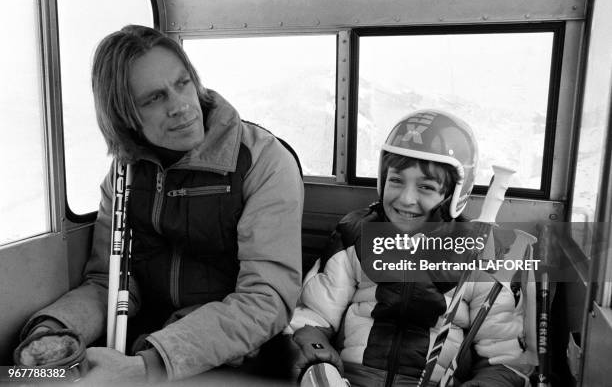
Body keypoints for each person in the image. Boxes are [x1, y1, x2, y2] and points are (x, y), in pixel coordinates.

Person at [17, 25, 304, 382]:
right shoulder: (123, 174)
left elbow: (266, 300)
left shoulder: (262, 161)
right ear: (125, 116)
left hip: (233, 358)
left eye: (182, 83)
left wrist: (149, 365)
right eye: (154, 99)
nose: (182, 107)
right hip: (141, 348)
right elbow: (109, 282)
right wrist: (56, 330)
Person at [286, 110, 532, 387]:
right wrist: (317, 357)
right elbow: (312, 319)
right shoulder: (356, 235)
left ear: (454, 195)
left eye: (426, 187)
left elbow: (505, 358)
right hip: (352, 379)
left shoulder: (479, 255)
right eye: (396, 180)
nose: (406, 199)